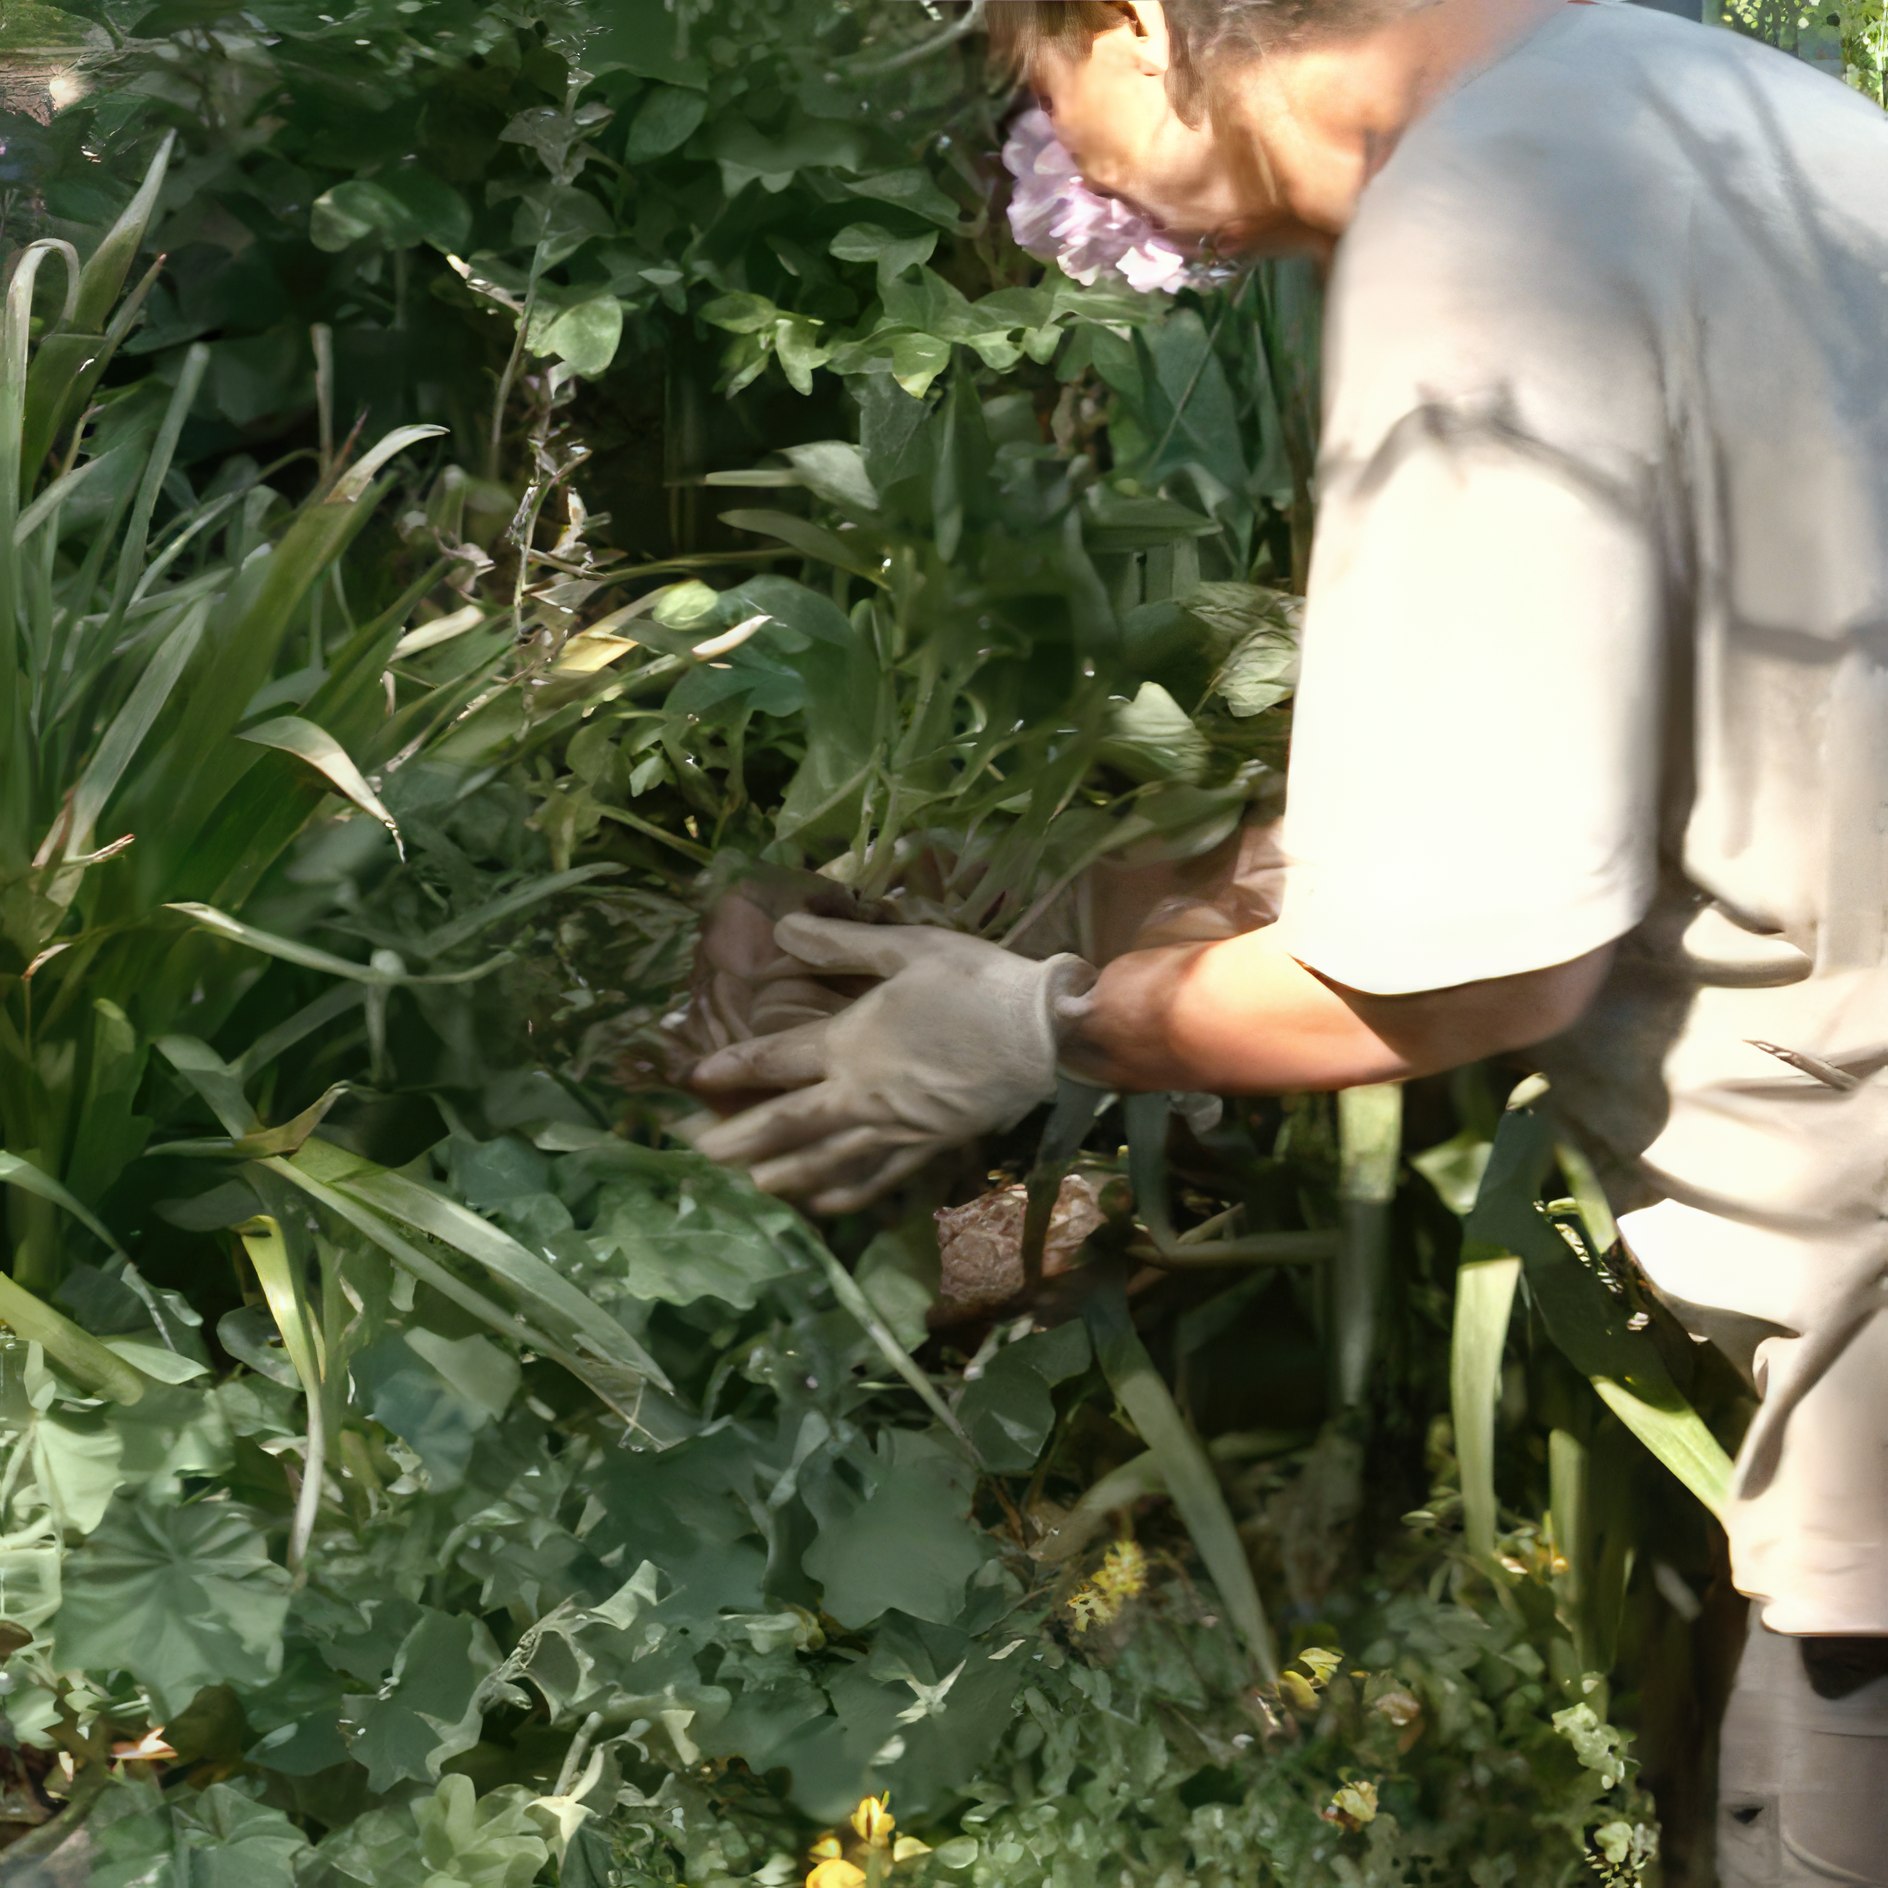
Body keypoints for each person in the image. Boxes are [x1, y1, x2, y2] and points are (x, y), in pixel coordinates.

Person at [685, 0, 1888, 1876]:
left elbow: (1469, 967)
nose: (1064, 160)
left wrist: (1040, 1026)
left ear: (1143, 24)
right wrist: (1033, 902)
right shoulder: (1718, 105)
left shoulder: (1483, 233)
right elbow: (1585, 791)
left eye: (1037, 83)